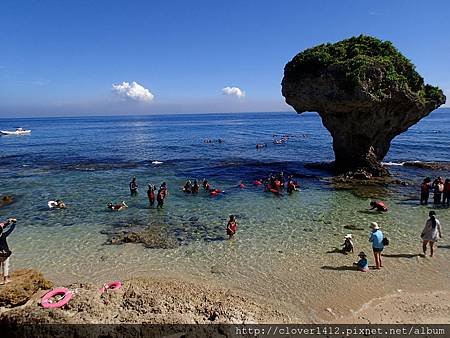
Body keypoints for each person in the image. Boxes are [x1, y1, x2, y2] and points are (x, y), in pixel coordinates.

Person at [0, 218, 17, 284]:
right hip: (4, 254)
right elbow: (10, 230)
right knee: (5, 266)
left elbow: (2, 226)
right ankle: (5, 280)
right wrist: (14, 223)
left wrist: (8, 222)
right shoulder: (3, 235)